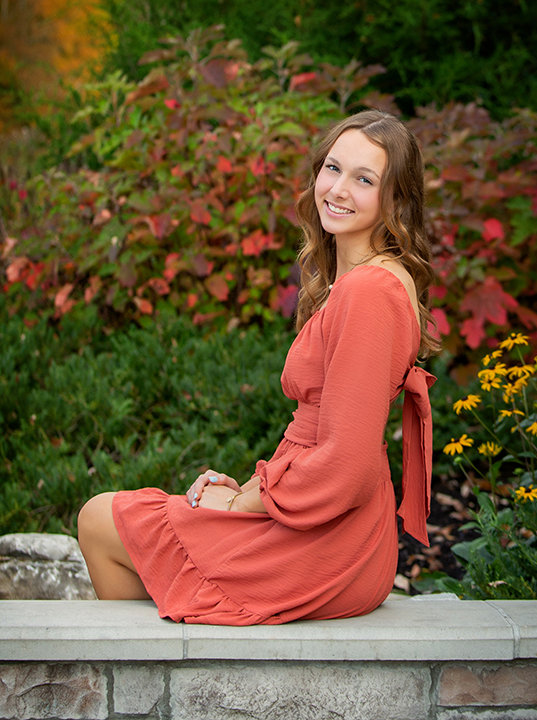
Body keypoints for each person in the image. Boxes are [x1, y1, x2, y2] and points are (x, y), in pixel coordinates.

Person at [78, 109, 439, 625]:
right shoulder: (362, 280)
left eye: (364, 179)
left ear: (394, 198)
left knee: (100, 520)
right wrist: (250, 488)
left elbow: (347, 464)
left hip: (331, 541)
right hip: (319, 516)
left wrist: (241, 506)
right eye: (332, 168)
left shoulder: (369, 291)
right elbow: (323, 445)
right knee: (121, 528)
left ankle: (160, 682)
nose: (338, 188)